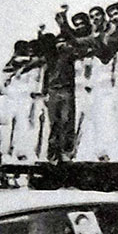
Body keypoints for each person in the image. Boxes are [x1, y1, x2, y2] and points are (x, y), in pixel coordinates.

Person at [41, 33, 77, 163]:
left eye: (63, 42)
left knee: (67, 120)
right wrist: (45, 92)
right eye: (58, 42)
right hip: (53, 91)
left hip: (66, 90)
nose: (61, 45)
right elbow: (45, 76)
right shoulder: (50, 58)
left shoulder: (70, 56)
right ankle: (53, 153)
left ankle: (66, 151)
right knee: (54, 122)